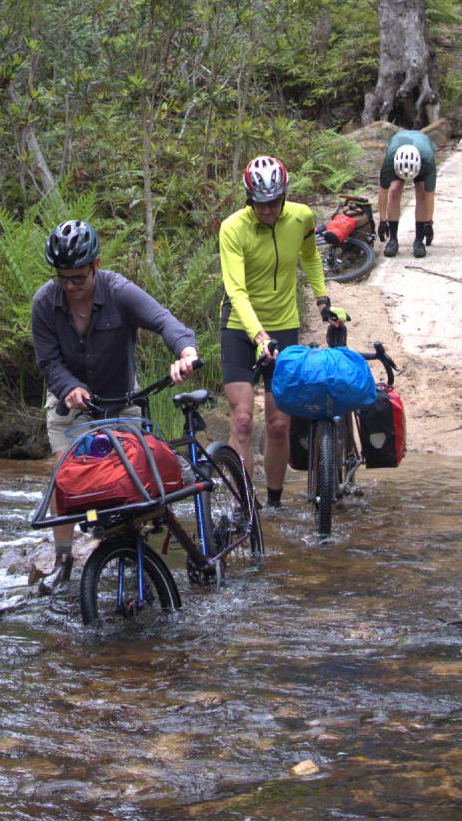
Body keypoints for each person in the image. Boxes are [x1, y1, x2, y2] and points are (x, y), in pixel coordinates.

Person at [31, 220, 199, 575]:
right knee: (66, 478)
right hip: (68, 404)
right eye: (63, 278)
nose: (71, 286)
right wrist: (68, 387)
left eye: (79, 277)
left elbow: (164, 321)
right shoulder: (44, 303)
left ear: (96, 264)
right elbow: (48, 360)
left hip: (120, 398)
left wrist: (185, 352)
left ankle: (132, 553)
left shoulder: (119, 290)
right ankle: (63, 559)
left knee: (129, 481)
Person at [218, 155, 331, 508]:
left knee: (280, 423)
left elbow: (310, 256)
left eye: (275, 202)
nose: (269, 211)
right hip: (240, 326)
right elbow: (236, 291)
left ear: (284, 195)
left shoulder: (301, 217)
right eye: (261, 204)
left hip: (283, 324)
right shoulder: (232, 228)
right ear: (250, 198)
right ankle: (243, 509)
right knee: (242, 421)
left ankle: (274, 503)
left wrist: (323, 298)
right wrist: (258, 336)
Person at [377, 128, 438, 258]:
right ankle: (393, 240)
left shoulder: (428, 161)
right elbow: (383, 192)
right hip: (398, 153)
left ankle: (418, 241)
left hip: (421, 155)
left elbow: (429, 196)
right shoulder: (389, 161)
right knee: (394, 190)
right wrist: (382, 221)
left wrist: (429, 222)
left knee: (421, 193)